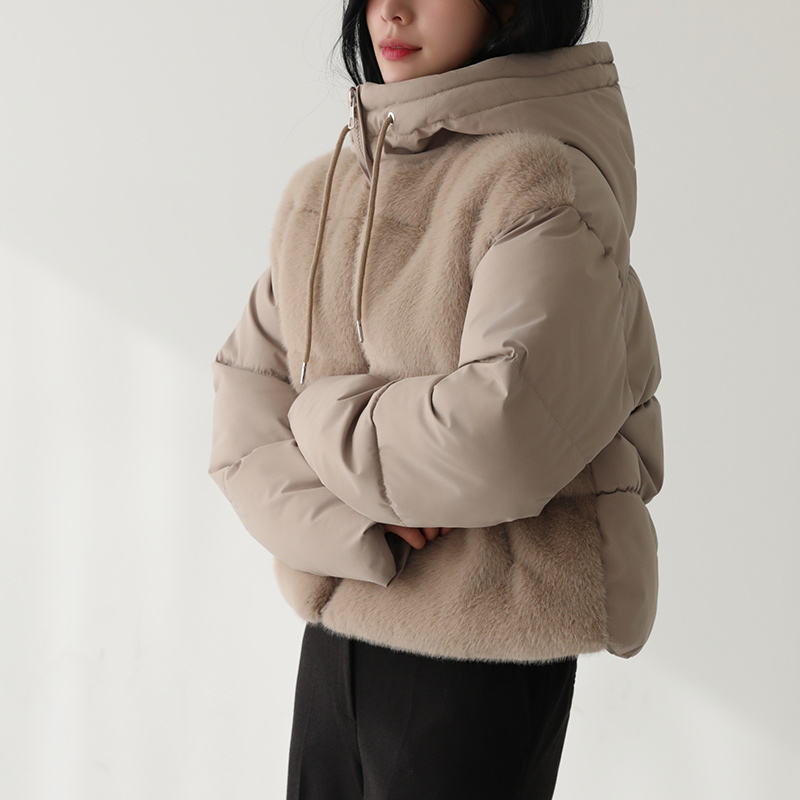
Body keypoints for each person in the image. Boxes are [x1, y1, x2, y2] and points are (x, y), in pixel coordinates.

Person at [207, 0, 664, 797]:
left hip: (487, 638)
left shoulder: (540, 185)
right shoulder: (324, 191)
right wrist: (357, 520)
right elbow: (240, 426)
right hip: (340, 623)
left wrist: (315, 416)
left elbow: (502, 431)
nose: (391, 10)